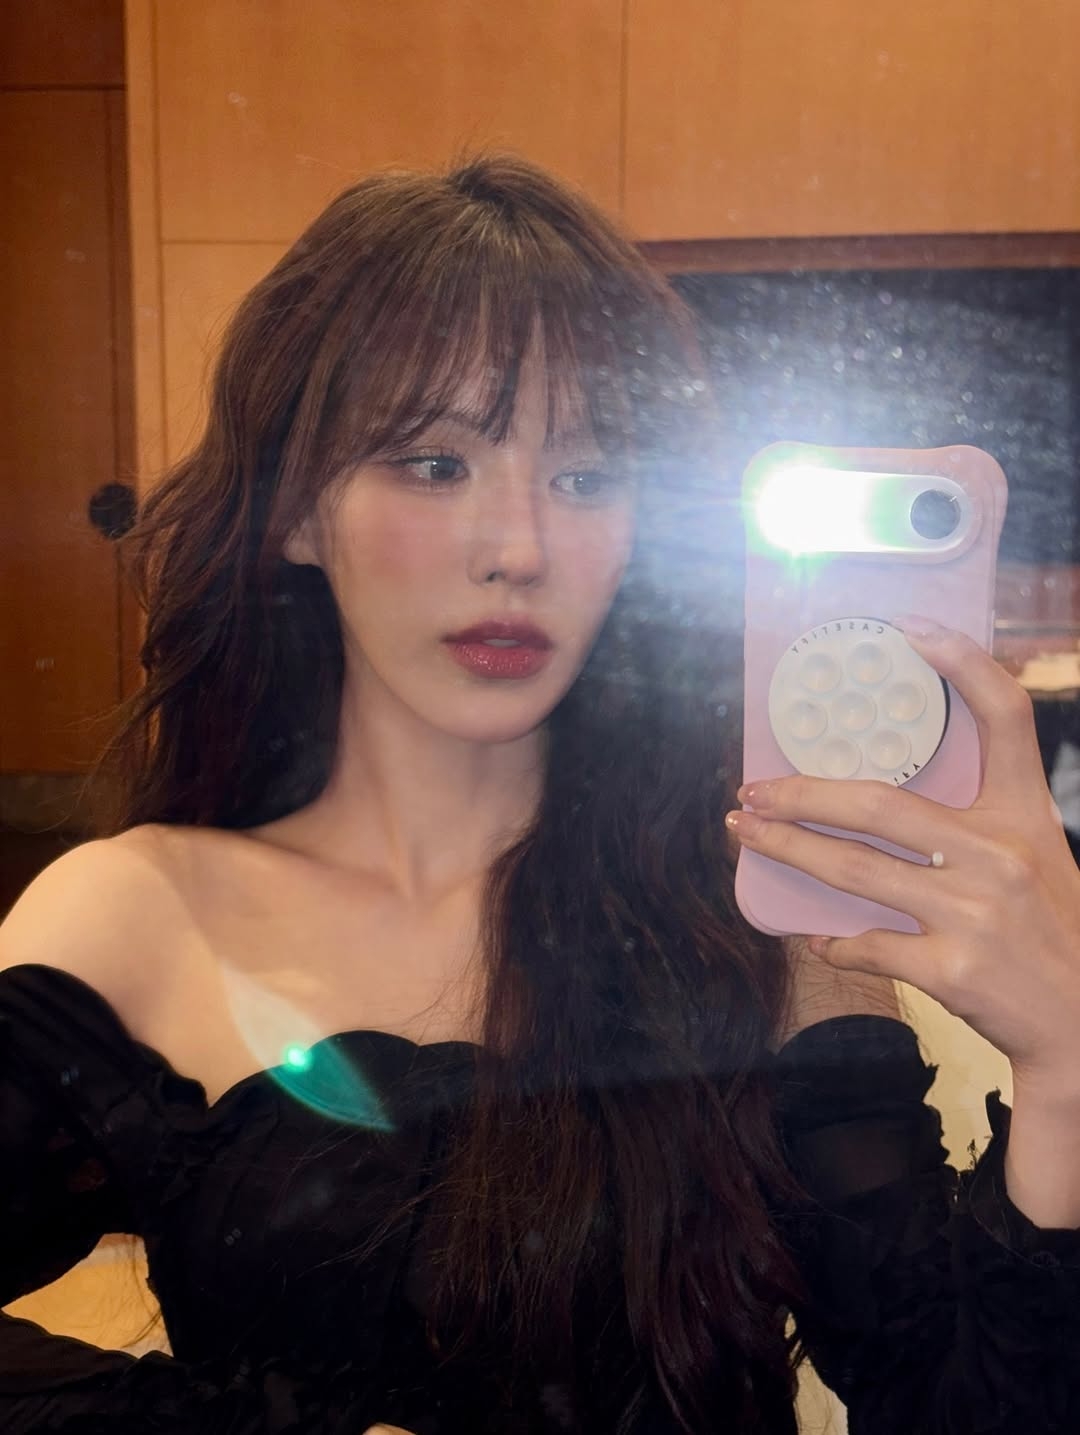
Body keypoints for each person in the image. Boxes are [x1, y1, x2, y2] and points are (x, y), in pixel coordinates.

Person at [2, 152, 1079, 1435]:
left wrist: (1068, 1058)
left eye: (585, 476)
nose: (519, 547)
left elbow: (964, 1404)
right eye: (432, 463)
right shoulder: (134, 916)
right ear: (294, 510)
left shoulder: (753, 911)